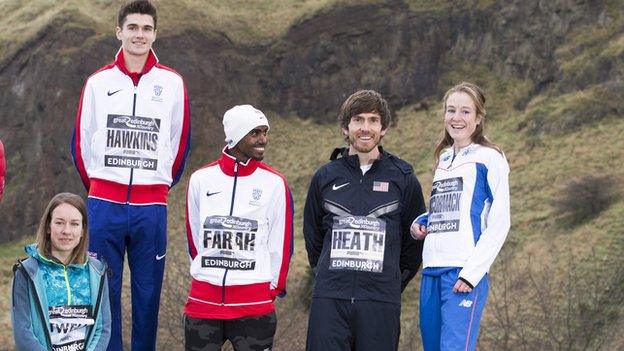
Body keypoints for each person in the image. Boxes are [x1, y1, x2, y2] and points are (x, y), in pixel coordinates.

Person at [70, 1, 191, 349]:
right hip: (104, 206)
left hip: (150, 207)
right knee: (101, 294)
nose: (140, 35)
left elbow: (179, 143)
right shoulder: (98, 82)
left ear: (155, 34)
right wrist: (98, 186)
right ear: (119, 31)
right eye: (133, 27)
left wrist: (160, 185)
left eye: (147, 28)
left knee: (148, 295)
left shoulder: (172, 83)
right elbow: (80, 140)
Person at [304, 90, 426, 351]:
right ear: (345, 127)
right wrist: (332, 278)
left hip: (380, 302)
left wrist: (390, 282)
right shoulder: (325, 177)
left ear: (384, 129)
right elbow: (313, 238)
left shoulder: (403, 178)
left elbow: (414, 244)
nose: (365, 128)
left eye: (373, 120)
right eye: (358, 120)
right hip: (330, 300)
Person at [184, 105, 293, 351]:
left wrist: (270, 289)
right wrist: (206, 273)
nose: (263, 139)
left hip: (254, 305)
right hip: (203, 302)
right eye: (255, 133)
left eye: (265, 132)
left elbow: (281, 243)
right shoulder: (201, 179)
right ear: (235, 135)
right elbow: (194, 237)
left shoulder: (275, 183)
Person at [410, 82, 510, 351]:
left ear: (478, 118)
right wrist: (423, 221)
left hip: (462, 273)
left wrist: (472, 274)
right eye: (451, 110)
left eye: (465, 112)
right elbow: (451, 210)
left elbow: (500, 222)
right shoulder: (443, 158)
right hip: (432, 268)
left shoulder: (490, 158)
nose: (456, 118)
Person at [11, 192, 111, 351]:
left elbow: (102, 329)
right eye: (59, 223)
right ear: (48, 227)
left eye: (74, 224)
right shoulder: (27, 272)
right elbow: (23, 333)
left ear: (83, 230)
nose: (67, 230)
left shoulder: (97, 271)